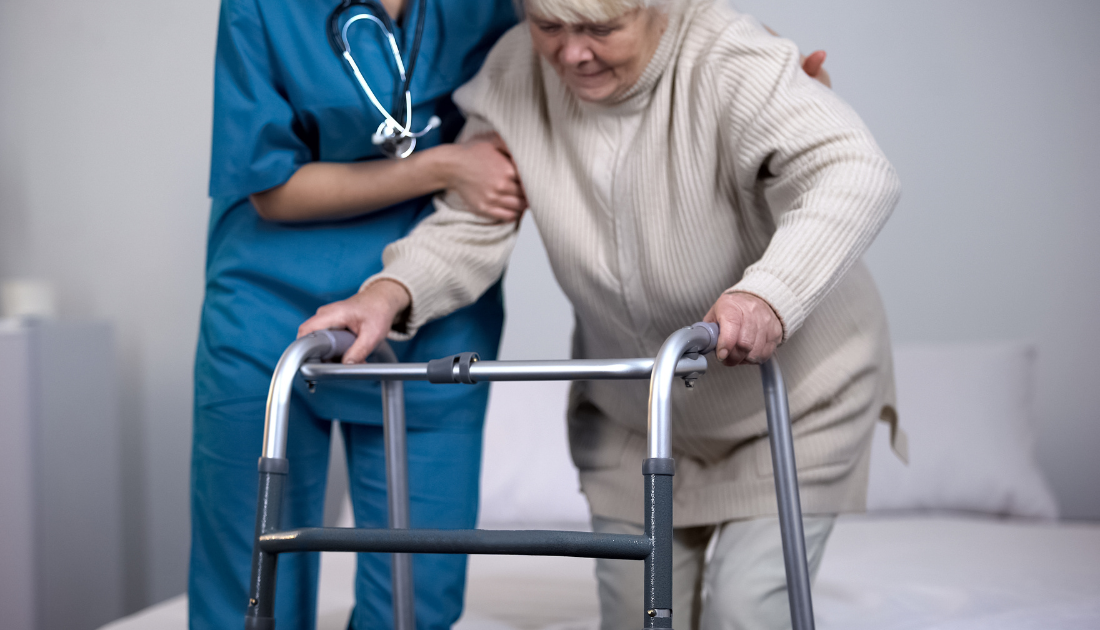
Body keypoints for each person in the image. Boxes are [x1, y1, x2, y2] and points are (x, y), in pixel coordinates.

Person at [297, 0, 904, 628]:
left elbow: (854, 171)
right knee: (637, 616)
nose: (572, 54)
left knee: (745, 607)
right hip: (640, 414)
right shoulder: (514, 74)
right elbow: (475, 219)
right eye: (549, 26)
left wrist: (768, 294)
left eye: (600, 29)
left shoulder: (731, 57)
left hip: (793, 402)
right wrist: (388, 292)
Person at [191, 1, 526, 629]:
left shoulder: (491, 7)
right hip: (269, 309)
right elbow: (269, 187)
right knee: (248, 589)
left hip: (431, 311)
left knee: (415, 599)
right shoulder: (263, 8)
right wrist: (442, 164)